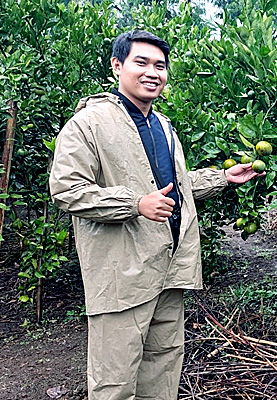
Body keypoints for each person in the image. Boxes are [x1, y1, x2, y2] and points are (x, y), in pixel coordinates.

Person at [49, 30, 263, 399]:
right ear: (117, 66)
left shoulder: (163, 126)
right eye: (141, 62)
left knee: (163, 364)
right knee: (114, 377)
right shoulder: (89, 124)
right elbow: (67, 190)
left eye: (160, 65)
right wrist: (134, 204)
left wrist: (223, 178)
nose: (153, 72)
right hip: (122, 274)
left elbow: (173, 187)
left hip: (168, 267)